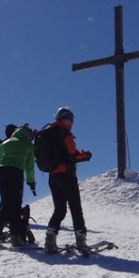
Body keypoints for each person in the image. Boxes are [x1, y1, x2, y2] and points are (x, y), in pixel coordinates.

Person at [42, 107, 92, 255]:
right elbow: (72, 155)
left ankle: (49, 241)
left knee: (59, 209)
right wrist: (85, 156)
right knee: (76, 208)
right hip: (67, 176)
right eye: (70, 119)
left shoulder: (47, 133)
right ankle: (81, 242)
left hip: (53, 177)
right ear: (65, 119)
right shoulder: (64, 133)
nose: (71, 123)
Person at [0, 124, 37, 248]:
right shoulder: (28, 145)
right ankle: (15, 237)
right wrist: (31, 182)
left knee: (5, 204)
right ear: (28, 134)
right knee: (15, 205)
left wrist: (0, 169)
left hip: (2, 172)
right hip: (16, 172)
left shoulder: (6, 142)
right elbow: (30, 167)